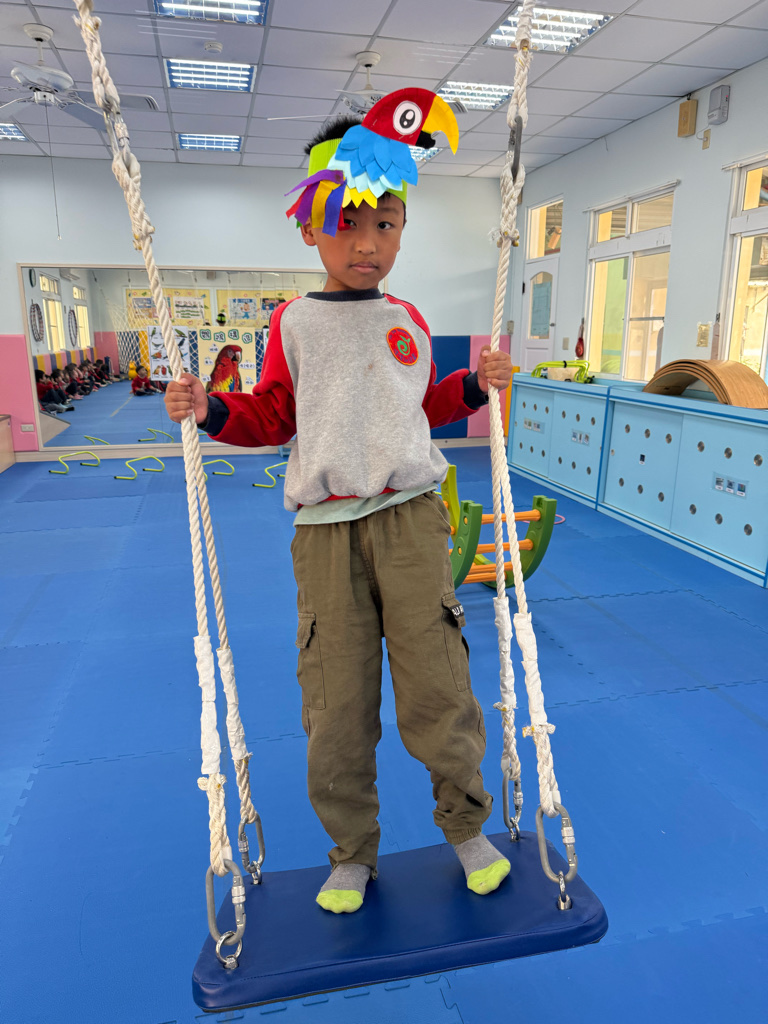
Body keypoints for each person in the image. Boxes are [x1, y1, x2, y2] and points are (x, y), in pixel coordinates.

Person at [165, 95, 514, 916]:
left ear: (403, 227)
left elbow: (421, 408)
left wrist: (473, 386)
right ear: (309, 228)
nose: (367, 244)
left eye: (386, 225)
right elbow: (273, 417)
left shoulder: (408, 317)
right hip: (325, 532)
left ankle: (467, 827)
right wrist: (211, 410)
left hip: (412, 521)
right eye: (347, 225)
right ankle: (352, 851)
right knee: (335, 702)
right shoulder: (292, 324)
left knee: (438, 686)